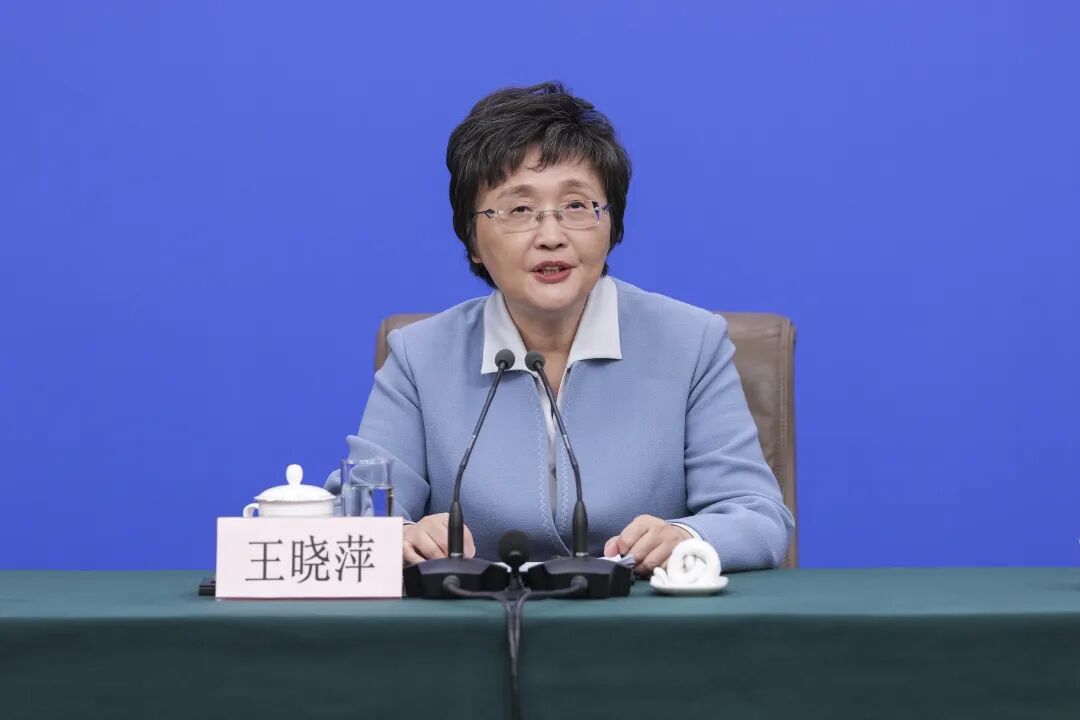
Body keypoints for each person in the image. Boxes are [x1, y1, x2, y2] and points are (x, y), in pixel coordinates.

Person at [330, 81, 794, 575]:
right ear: (472, 241)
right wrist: (400, 537)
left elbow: (757, 517)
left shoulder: (691, 342)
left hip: (639, 616)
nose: (551, 236)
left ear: (611, 225)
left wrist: (686, 537)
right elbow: (350, 514)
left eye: (576, 206)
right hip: (474, 617)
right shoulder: (419, 356)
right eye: (519, 210)